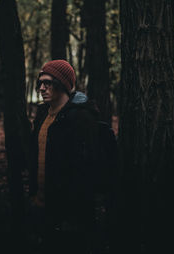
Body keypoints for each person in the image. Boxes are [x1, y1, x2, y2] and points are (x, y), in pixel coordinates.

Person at [28, 59, 100, 253]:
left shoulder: (81, 119)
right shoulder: (43, 114)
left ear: (62, 84)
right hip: (40, 207)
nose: (42, 88)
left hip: (68, 216)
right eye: (40, 83)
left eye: (48, 82)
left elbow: (86, 171)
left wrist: (73, 217)